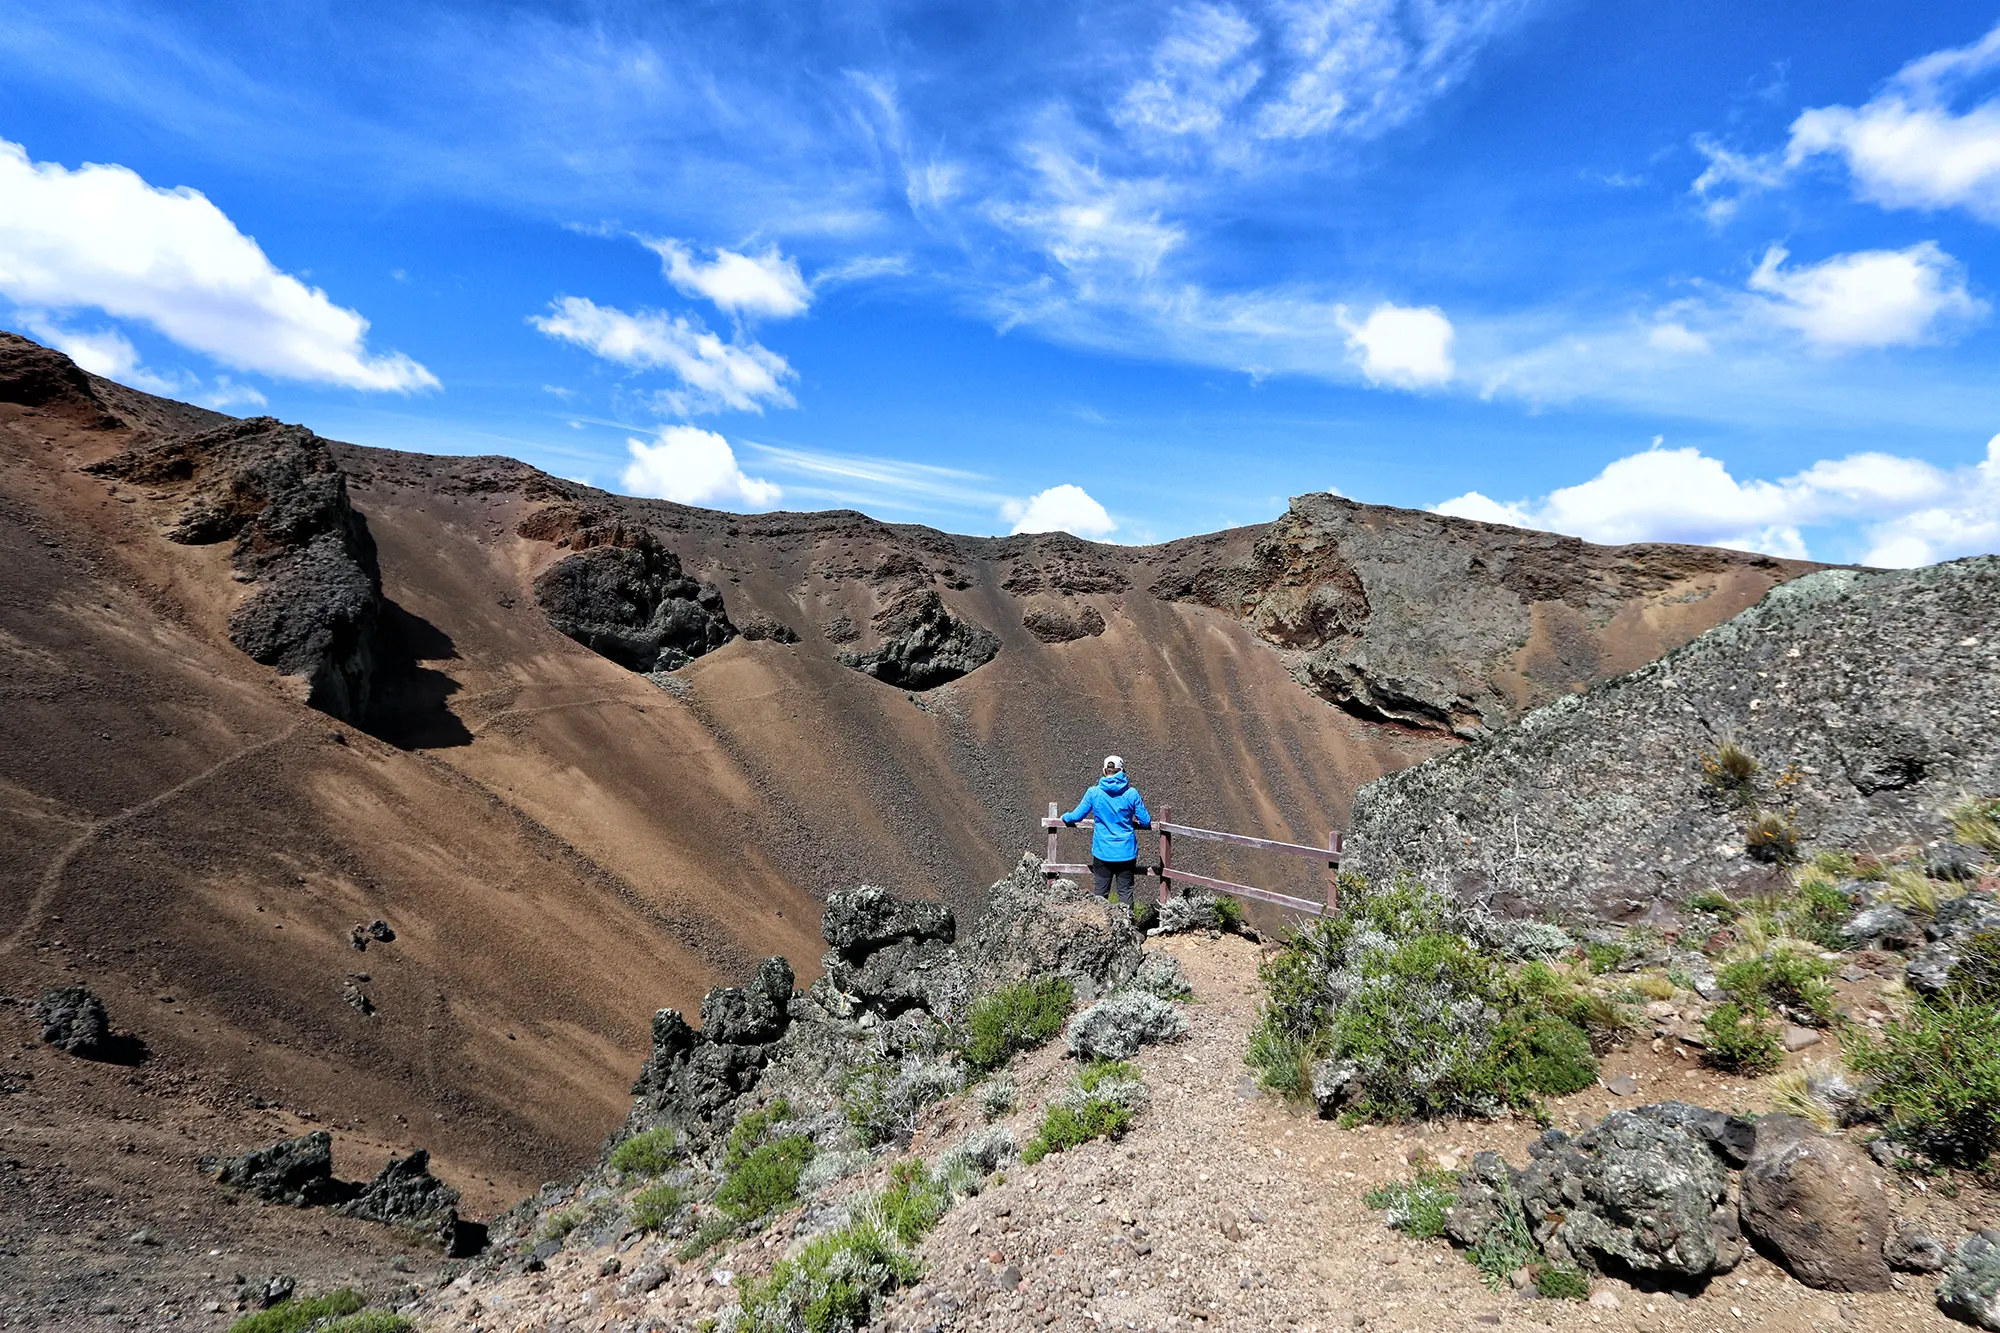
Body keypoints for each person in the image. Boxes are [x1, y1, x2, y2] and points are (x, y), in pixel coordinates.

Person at [1062, 755, 1152, 908]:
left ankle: (1103, 929)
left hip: (1102, 852)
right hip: (1126, 852)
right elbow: (1145, 821)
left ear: (1104, 770)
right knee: (1125, 893)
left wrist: (1065, 816)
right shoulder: (1131, 793)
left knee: (1101, 894)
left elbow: (1076, 816)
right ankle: (1126, 926)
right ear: (1122, 770)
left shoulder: (1094, 793)